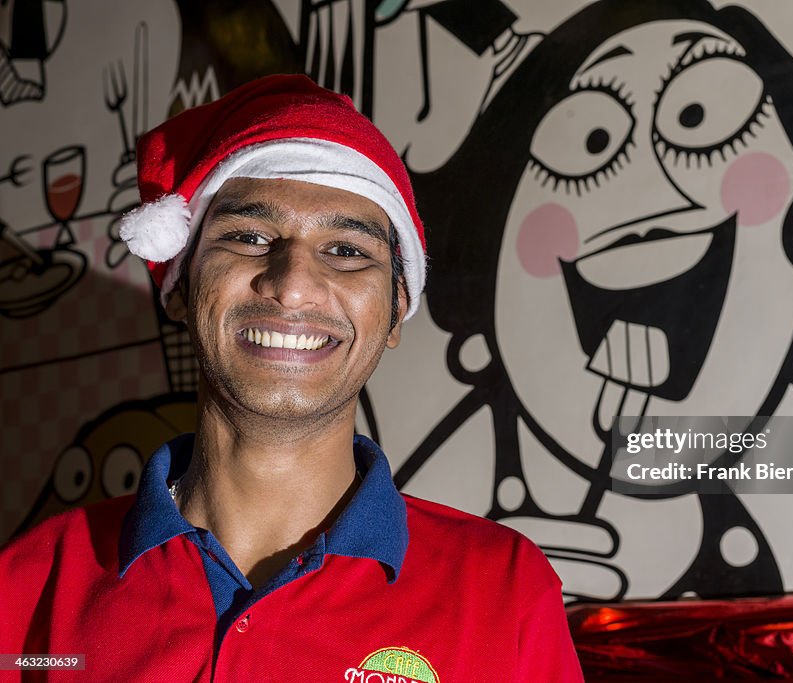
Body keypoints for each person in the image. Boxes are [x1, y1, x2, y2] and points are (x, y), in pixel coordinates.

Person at [0, 74, 584, 682]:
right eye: (249, 238)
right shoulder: (27, 586)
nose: (292, 284)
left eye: (348, 251)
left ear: (393, 311)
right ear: (180, 287)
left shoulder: (504, 590)